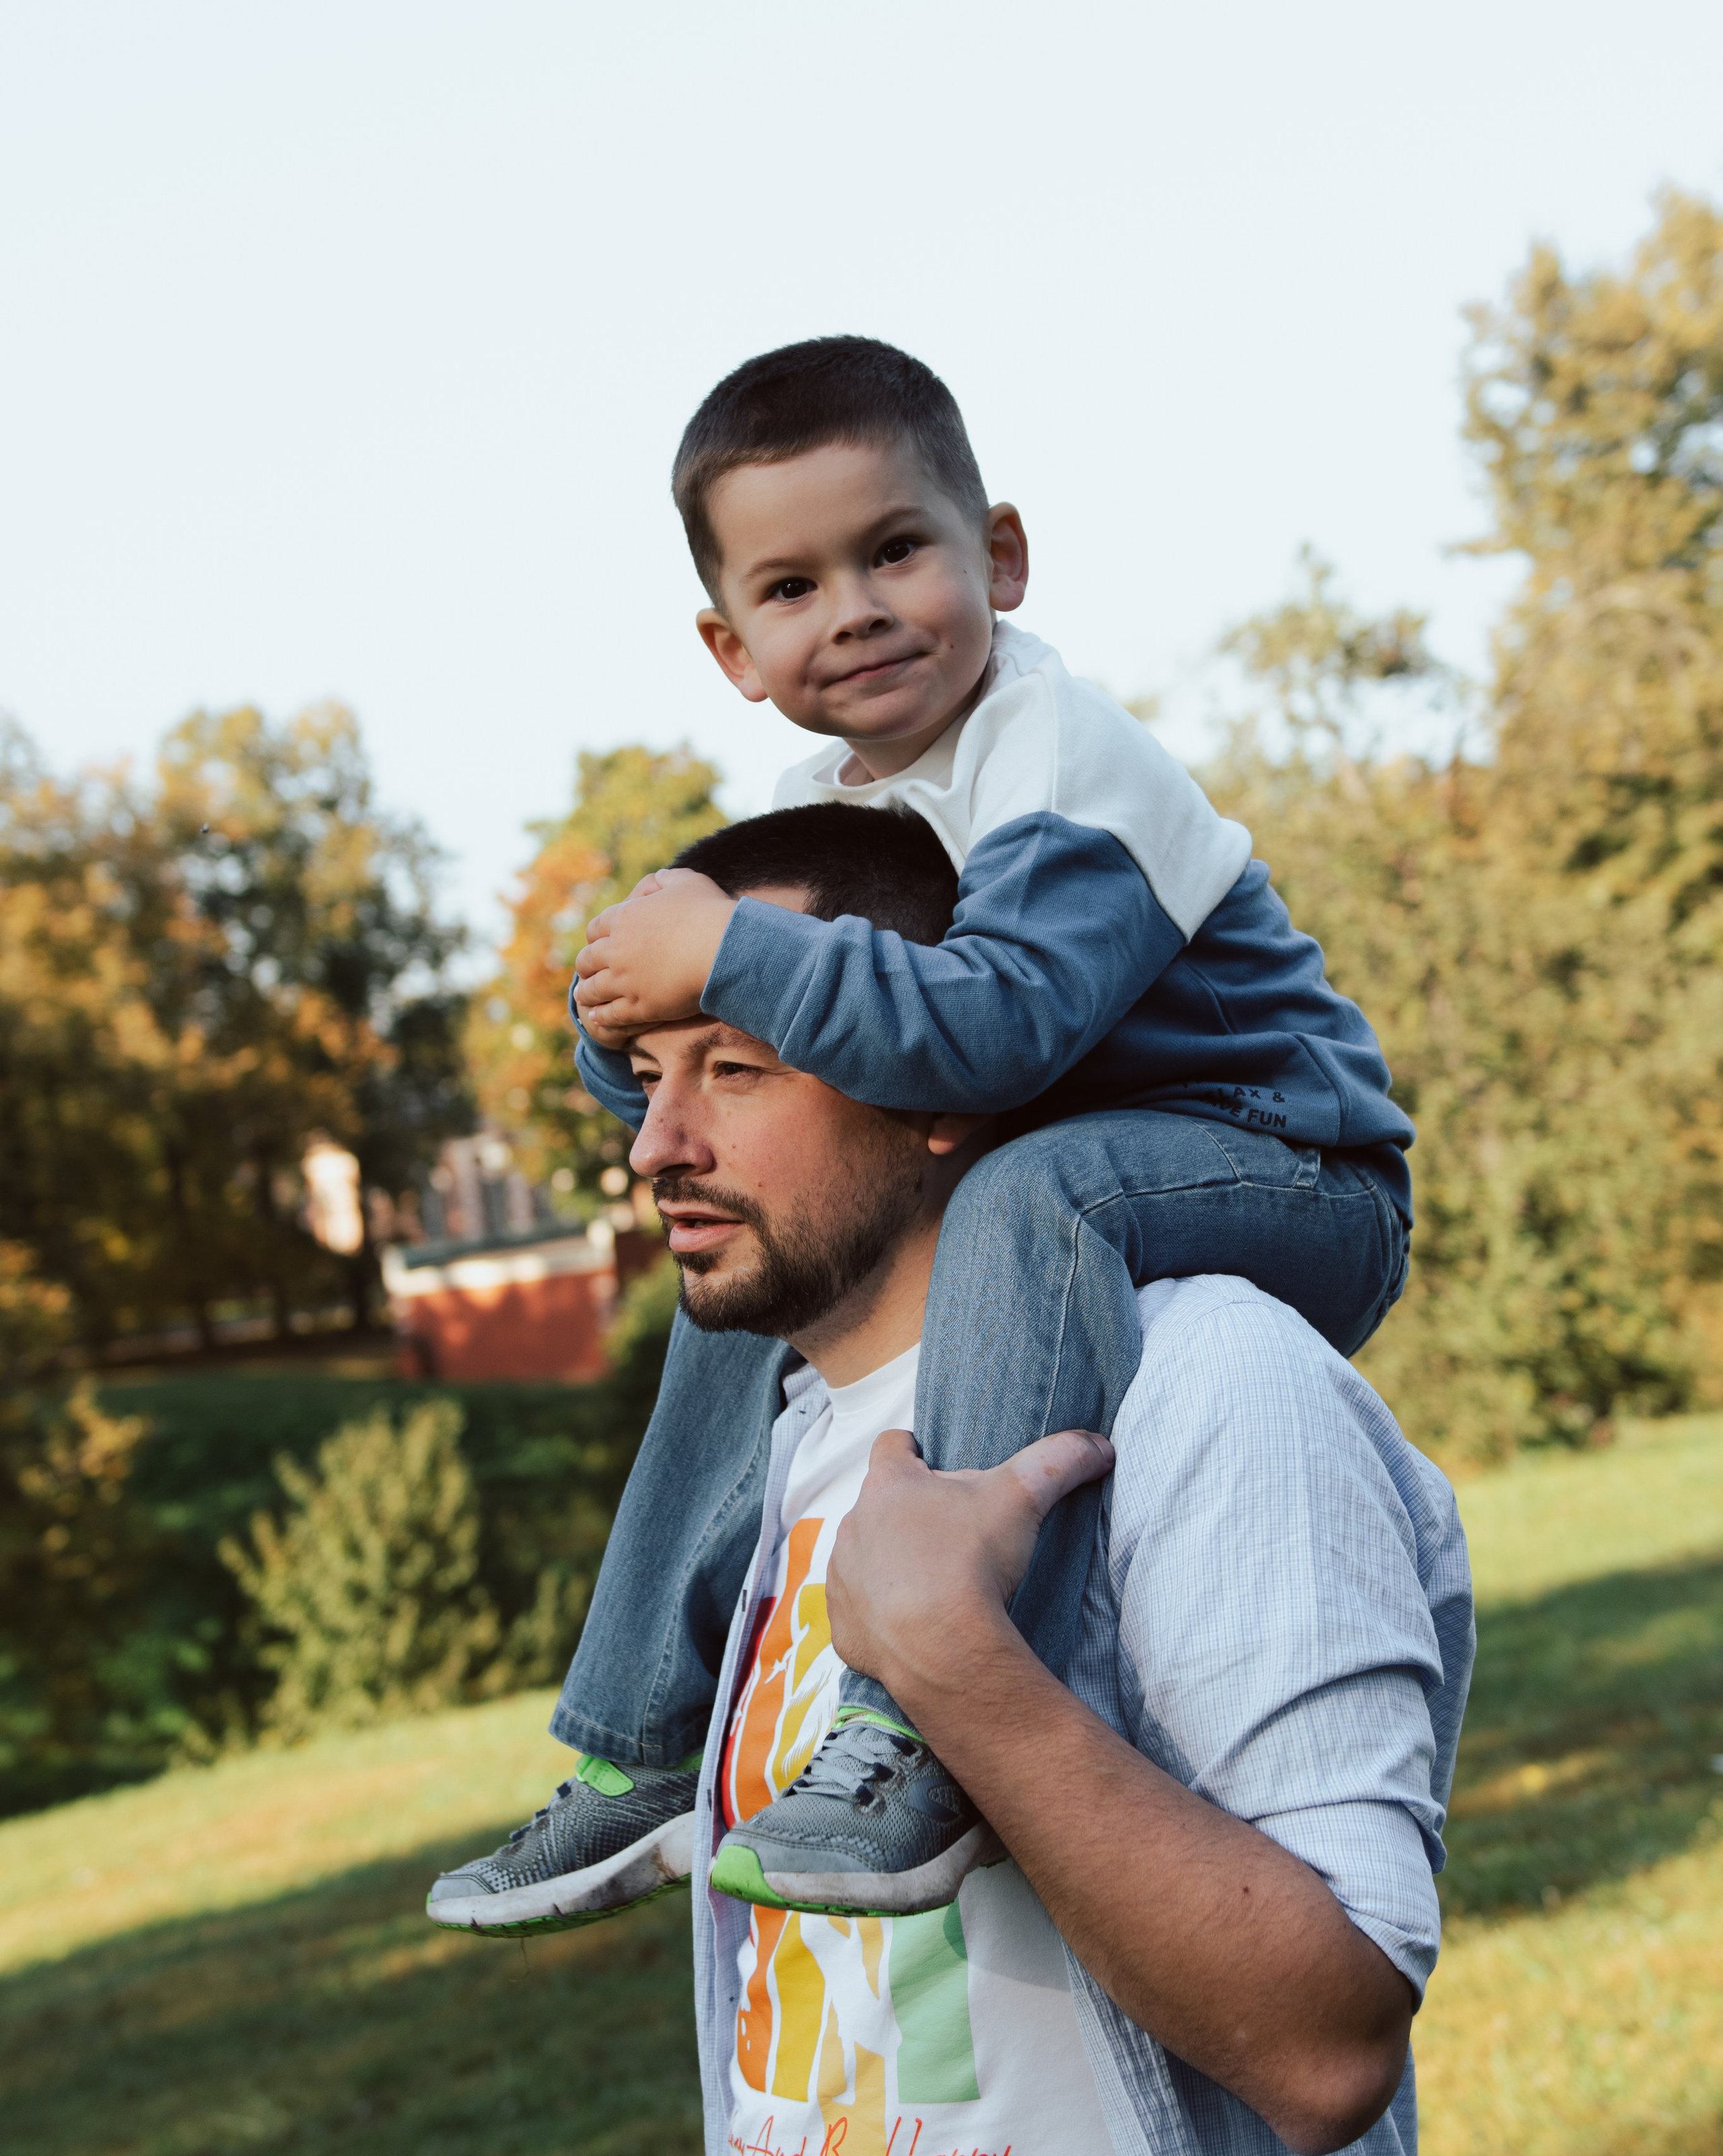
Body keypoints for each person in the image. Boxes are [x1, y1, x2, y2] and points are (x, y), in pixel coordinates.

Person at [427, 334, 1416, 1934]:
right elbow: (794, 1064)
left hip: (1284, 1164)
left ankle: (914, 1731)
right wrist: (631, 1019)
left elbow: (1002, 1028)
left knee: (1027, 1185)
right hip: (1094, 1167)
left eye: (895, 551)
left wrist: (730, 952)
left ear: (997, 556)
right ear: (729, 645)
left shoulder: (1061, 757)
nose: (857, 609)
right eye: (794, 585)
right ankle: (639, 1746)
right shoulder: (861, 811)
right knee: (743, 1271)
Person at [491, 806, 1474, 2156]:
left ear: (939, 1084)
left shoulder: (1210, 1382)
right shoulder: (785, 1443)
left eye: (735, 1069)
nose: (654, 1145)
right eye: (650, 1076)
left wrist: (955, 1667)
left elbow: (1325, 2041)